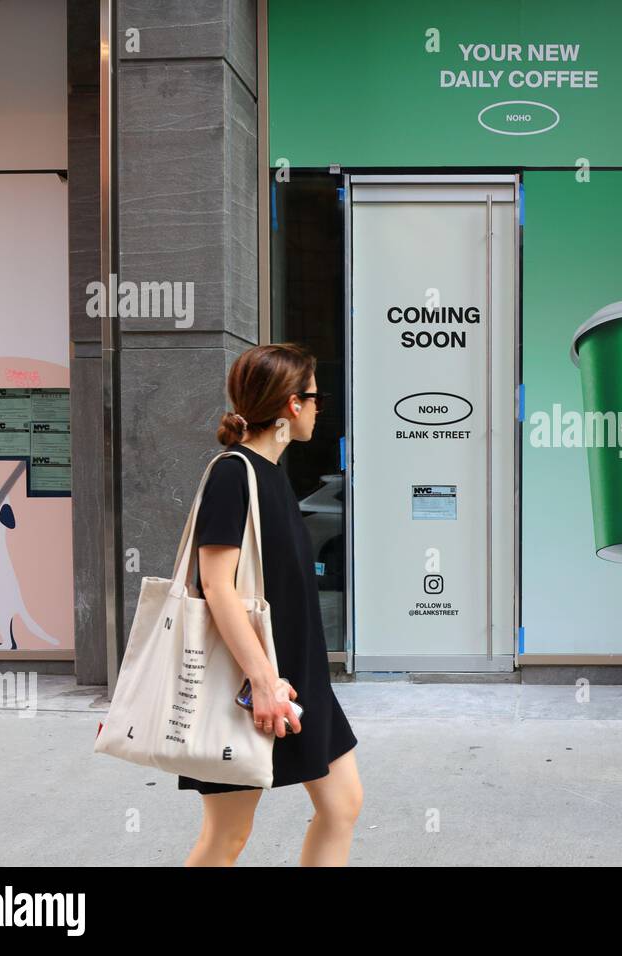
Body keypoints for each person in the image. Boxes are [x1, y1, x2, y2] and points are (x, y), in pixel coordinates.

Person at [180, 343, 362, 866]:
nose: (319, 407)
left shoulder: (274, 475)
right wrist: (262, 680)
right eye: (315, 396)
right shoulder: (232, 474)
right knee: (227, 836)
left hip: (300, 678)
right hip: (247, 685)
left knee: (343, 805)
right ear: (291, 405)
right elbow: (215, 585)